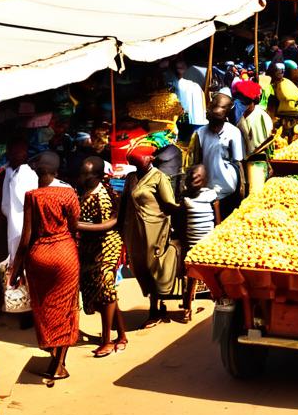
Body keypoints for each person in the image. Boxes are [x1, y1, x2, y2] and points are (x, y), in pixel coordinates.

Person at [9, 152, 80, 382]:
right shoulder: (68, 194)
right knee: (67, 308)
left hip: (39, 257)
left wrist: (16, 269)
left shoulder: (32, 196)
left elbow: (26, 238)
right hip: (65, 254)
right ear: (57, 172)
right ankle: (59, 364)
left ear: (37, 173)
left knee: (44, 306)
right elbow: (74, 226)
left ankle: (52, 350)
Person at [119, 146, 180, 329]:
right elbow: (124, 204)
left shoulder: (159, 177)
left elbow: (169, 204)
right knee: (138, 266)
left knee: (152, 265)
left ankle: (155, 308)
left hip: (154, 229)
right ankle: (155, 304)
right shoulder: (130, 178)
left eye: (139, 160)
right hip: (134, 230)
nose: (135, 164)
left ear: (150, 159)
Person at [74, 157, 126, 358]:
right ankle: (121, 335)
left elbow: (106, 226)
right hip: (91, 246)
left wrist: (75, 225)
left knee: (105, 289)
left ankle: (107, 340)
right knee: (106, 293)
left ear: (97, 176)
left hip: (106, 246)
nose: (82, 177)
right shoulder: (84, 192)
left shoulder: (101, 197)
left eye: (86, 174)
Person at [190, 93, 245, 220]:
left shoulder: (233, 133)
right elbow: (197, 161)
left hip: (228, 188)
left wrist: (242, 186)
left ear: (225, 116)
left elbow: (238, 162)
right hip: (208, 189)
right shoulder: (200, 133)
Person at [181, 164, 219, 323]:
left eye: (198, 178)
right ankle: (187, 307)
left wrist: (217, 240)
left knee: (213, 276)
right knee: (191, 278)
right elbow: (182, 222)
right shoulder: (185, 198)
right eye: (191, 178)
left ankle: (217, 300)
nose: (194, 180)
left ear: (205, 180)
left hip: (208, 244)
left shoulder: (211, 196)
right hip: (192, 244)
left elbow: (218, 221)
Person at [0, 138, 38, 267]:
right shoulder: (11, 172)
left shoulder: (26, 174)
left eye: (19, 152)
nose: (15, 155)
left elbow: (27, 204)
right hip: (15, 224)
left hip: (23, 226)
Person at [234, 81, 273, 194]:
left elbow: (266, 145)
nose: (240, 103)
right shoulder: (242, 117)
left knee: (256, 194)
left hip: (258, 162)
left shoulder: (262, 118)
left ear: (253, 101)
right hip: (246, 162)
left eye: (244, 101)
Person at [169, 57, 207, 126]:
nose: (180, 64)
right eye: (178, 61)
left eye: (183, 62)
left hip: (188, 125)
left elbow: (199, 114)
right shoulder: (167, 85)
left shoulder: (194, 87)